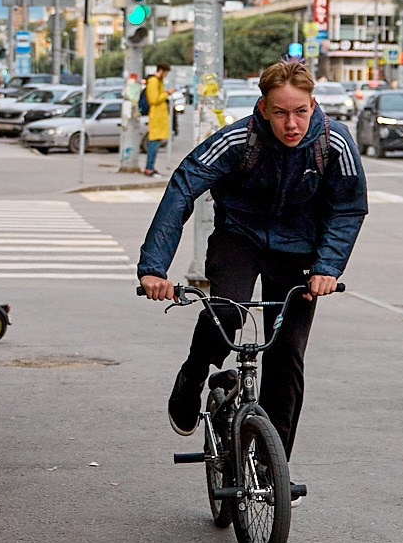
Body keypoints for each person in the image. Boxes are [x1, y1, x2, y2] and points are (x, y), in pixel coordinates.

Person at [137, 60, 367, 455]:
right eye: (280, 112)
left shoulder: (335, 143)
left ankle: (271, 463)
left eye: (299, 111)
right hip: (238, 239)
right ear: (264, 109)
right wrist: (154, 269)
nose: (291, 124)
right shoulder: (238, 140)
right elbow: (181, 190)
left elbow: (347, 209)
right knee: (227, 313)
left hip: (298, 252)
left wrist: (327, 267)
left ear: (313, 105)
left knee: (287, 355)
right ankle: (193, 375)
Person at [139, 67, 171, 174]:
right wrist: (167, 93)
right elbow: (154, 99)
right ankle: (149, 168)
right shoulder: (153, 81)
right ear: (161, 71)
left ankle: (150, 167)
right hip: (156, 117)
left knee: (156, 142)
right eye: (165, 73)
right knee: (153, 142)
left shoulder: (158, 81)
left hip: (159, 117)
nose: (165, 76)